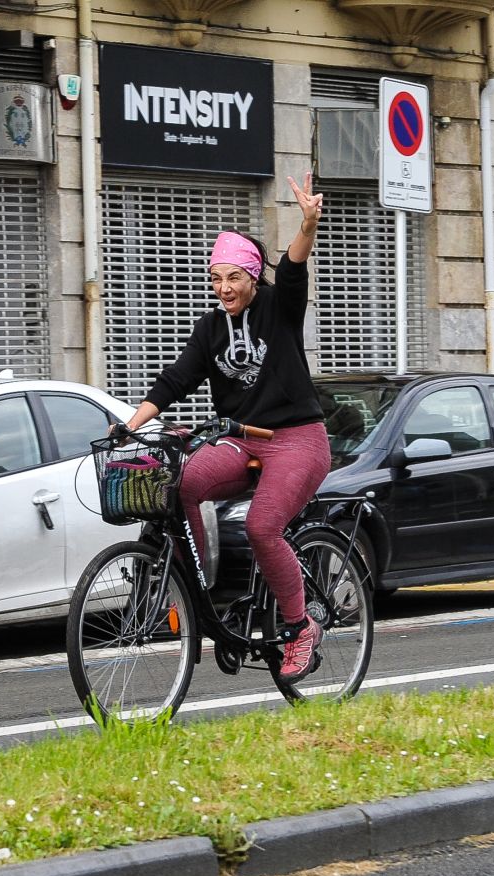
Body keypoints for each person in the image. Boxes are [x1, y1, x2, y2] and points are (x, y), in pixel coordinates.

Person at [114, 172, 331, 681]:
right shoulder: (210, 327)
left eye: (233, 277)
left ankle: (301, 628)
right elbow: (176, 380)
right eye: (216, 278)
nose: (224, 288)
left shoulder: (279, 307)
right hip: (242, 440)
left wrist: (308, 223)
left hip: (296, 440)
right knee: (181, 484)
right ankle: (202, 588)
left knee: (261, 526)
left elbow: (294, 268)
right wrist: (130, 425)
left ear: (253, 277)